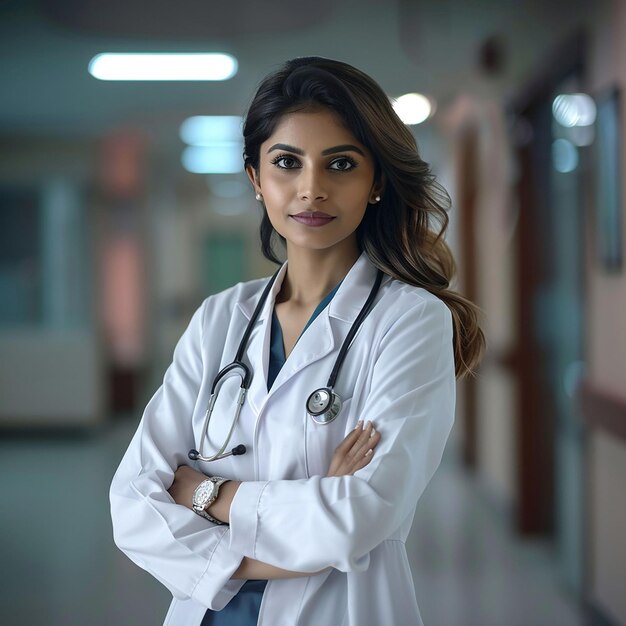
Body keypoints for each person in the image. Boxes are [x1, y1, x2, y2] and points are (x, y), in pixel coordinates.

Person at [110, 56, 485, 626]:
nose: (312, 189)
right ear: (257, 178)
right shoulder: (219, 320)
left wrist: (206, 495)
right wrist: (307, 519)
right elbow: (134, 504)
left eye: (340, 164)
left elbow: (360, 515)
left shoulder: (410, 322)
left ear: (376, 181)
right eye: (287, 162)